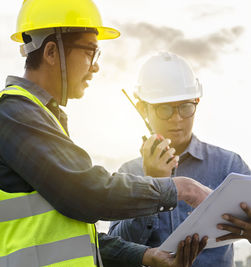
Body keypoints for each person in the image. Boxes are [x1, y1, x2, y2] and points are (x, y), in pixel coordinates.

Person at [0, 1, 210, 266]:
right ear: (51, 52)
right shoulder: (13, 114)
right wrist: (180, 188)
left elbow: (81, 237)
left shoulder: (42, 118)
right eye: (90, 52)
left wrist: (146, 256)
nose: (95, 66)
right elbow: (88, 192)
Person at [108, 52, 251, 266]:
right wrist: (154, 187)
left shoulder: (228, 166)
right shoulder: (129, 174)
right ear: (142, 109)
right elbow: (117, 250)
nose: (176, 119)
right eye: (164, 108)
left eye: (186, 106)